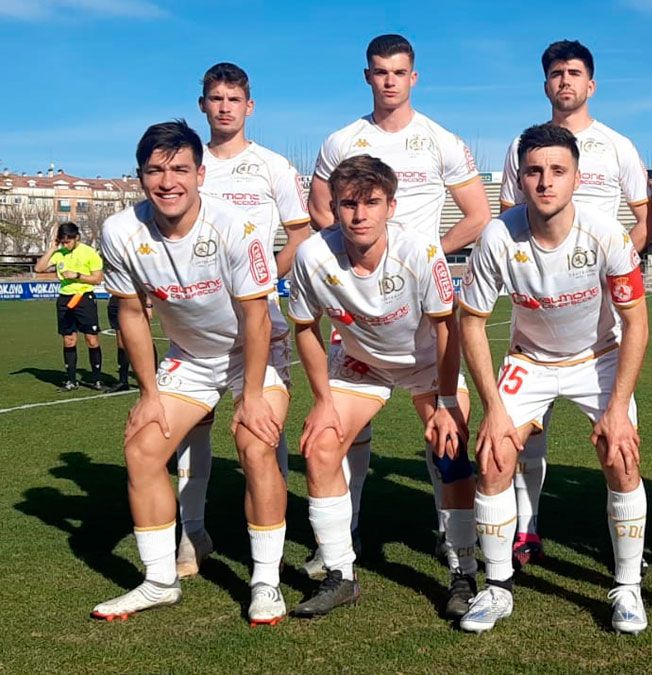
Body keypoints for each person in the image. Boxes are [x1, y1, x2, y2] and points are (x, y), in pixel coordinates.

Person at [90, 120, 291, 625]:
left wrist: (251, 395)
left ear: (201, 174)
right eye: (155, 170)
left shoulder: (236, 228)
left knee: (255, 442)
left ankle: (265, 582)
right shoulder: (119, 231)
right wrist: (150, 394)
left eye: (180, 168)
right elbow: (131, 313)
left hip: (253, 352)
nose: (168, 181)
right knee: (142, 447)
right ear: (140, 177)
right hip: (189, 356)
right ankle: (160, 581)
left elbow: (256, 317)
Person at [306, 34, 491, 572]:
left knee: (445, 434)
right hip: (362, 309)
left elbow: (478, 214)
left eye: (399, 71)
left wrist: (424, 254)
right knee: (339, 431)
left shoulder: (440, 140)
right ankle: (341, 538)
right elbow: (321, 209)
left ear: (414, 77)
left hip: (422, 309)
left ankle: (452, 538)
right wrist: (357, 257)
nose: (389, 80)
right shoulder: (342, 140)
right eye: (380, 71)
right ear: (368, 76)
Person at [458, 123, 649, 634]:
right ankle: (496, 587)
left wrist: (618, 405)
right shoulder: (499, 235)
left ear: (576, 178)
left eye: (557, 171)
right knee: (495, 455)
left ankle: (628, 587)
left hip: (599, 358)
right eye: (535, 171)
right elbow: (471, 321)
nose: (545, 182)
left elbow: (636, 322)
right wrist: (494, 409)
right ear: (520, 179)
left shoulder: (605, 232)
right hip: (530, 360)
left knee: (620, 453)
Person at [286, 155, 476, 618]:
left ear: (391, 205)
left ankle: (462, 572)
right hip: (360, 364)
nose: (359, 214)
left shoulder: (420, 252)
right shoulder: (313, 255)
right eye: (348, 203)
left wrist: (448, 402)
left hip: (428, 366)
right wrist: (323, 403)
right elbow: (306, 329)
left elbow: (447, 329)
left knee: (450, 452)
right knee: (320, 446)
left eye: (371, 202)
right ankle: (340, 573)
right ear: (333, 207)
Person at [498, 39, 651, 568]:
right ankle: (527, 527)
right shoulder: (524, 144)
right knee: (524, 433)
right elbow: (509, 220)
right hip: (536, 323)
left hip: (599, 318)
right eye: (556, 73)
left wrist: (611, 265)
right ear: (546, 84)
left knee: (619, 443)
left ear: (591, 84)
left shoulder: (618, 146)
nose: (565, 81)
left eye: (575, 73)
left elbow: (643, 217)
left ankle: (628, 564)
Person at [171, 61, 312, 579]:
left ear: (249, 107)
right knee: (191, 428)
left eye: (234, 99)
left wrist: (260, 282)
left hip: (260, 322)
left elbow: (299, 236)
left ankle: (271, 537)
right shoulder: (184, 165)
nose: (225, 107)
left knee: (262, 428)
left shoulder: (273, 166)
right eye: (216, 98)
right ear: (202, 105)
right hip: (196, 322)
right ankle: (194, 533)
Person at [35, 222, 105, 391]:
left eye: (68, 241)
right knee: (68, 339)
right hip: (65, 299)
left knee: (91, 339)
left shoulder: (89, 253)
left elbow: (97, 278)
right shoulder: (59, 253)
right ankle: (71, 380)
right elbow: (39, 268)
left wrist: (77, 276)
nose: (65, 244)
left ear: (77, 238)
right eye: (62, 241)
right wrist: (52, 249)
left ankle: (96, 379)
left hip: (84, 298)